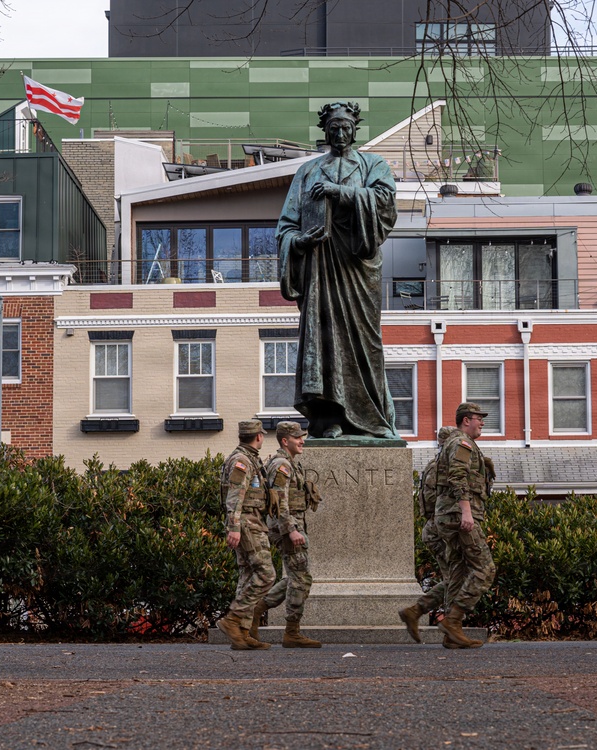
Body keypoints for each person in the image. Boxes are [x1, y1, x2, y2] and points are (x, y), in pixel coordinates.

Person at [275, 100, 399, 440]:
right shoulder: (307, 172)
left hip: (357, 266)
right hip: (320, 266)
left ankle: (375, 420)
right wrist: (298, 242)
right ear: (325, 132)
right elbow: (286, 225)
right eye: (334, 129)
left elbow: (386, 203)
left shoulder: (373, 165)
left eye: (346, 128)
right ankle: (329, 418)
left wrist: (340, 192)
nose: (340, 133)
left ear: (355, 130)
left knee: (365, 343)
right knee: (326, 340)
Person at [398, 425, 481, 648]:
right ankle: (434, 620)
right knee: (457, 577)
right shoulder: (441, 467)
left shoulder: (436, 464)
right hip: (440, 529)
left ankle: (425, 618)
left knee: (454, 578)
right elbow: (438, 502)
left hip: (437, 528)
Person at [252, 420, 323, 648]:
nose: (302, 441)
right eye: (297, 437)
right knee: (302, 578)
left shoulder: (291, 463)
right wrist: (291, 530)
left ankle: (256, 609)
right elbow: (279, 500)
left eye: (302, 436)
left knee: (295, 576)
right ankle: (291, 632)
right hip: (287, 528)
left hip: (293, 525)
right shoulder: (282, 464)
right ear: (285, 441)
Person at [434, 403, 497, 648]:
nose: (482, 423)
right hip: (458, 517)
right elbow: (458, 476)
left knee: (458, 572)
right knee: (485, 568)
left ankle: (452, 635)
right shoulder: (462, 444)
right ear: (466, 420)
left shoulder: (458, 443)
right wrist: (466, 511)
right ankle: (453, 620)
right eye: (479, 419)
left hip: (448, 517)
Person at [216, 419, 276, 650]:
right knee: (266, 574)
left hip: (250, 522)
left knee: (248, 575)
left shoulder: (247, 458)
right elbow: (235, 495)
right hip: (248, 523)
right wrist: (234, 527)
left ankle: (241, 633)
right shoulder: (242, 460)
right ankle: (232, 619)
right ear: (258, 436)